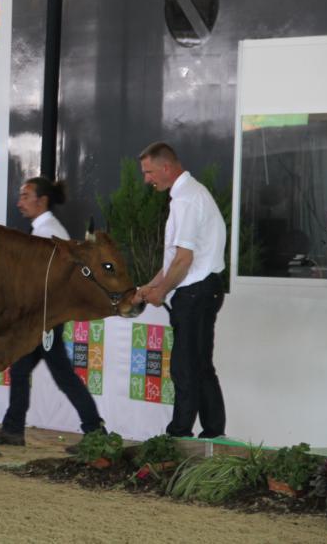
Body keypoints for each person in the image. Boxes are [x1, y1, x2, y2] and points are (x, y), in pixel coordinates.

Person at [0, 177, 105, 446]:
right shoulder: (46, 230)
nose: (19, 202)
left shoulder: (48, 234)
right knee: (21, 371)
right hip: (41, 318)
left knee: (61, 375)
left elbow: (44, 283)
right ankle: (13, 429)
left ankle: (95, 432)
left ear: (41, 200)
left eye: (25, 196)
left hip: (43, 319)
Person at [136, 141, 226, 439]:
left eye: (149, 172)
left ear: (166, 167)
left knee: (185, 368)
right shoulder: (191, 193)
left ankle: (178, 435)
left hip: (195, 293)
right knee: (200, 365)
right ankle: (213, 433)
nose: (147, 179)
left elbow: (184, 261)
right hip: (203, 290)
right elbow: (175, 260)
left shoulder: (186, 200)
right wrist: (149, 287)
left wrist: (160, 292)